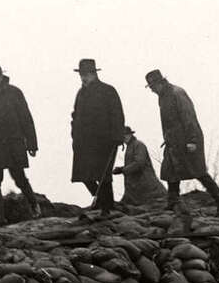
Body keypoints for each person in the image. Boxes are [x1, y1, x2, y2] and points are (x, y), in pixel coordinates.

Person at [144, 69, 219, 215]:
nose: (152, 90)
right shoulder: (162, 97)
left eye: (152, 86)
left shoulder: (177, 93)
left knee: (198, 171)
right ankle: (172, 202)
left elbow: (189, 117)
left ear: (160, 83)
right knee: (170, 171)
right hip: (173, 142)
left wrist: (192, 140)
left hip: (187, 140)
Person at [0, 61, 41, 225]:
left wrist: (32, 143)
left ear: (1, 76)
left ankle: (35, 206)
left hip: (12, 143)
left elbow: (26, 118)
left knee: (19, 177)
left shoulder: (14, 93)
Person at [70, 58, 124, 215]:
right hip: (83, 142)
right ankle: (103, 202)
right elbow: (75, 116)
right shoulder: (81, 93)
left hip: (104, 140)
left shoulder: (108, 90)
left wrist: (117, 136)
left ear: (94, 73)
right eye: (81, 74)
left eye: (86, 74)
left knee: (103, 175)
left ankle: (107, 208)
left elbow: (117, 114)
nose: (83, 77)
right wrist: (74, 136)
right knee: (84, 174)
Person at [112, 126, 167, 209]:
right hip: (136, 187)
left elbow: (139, 163)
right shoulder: (130, 147)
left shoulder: (138, 145)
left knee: (156, 204)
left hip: (147, 185)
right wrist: (121, 169)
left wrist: (122, 170)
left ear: (130, 135)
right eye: (122, 136)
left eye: (125, 135)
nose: (124, 138)